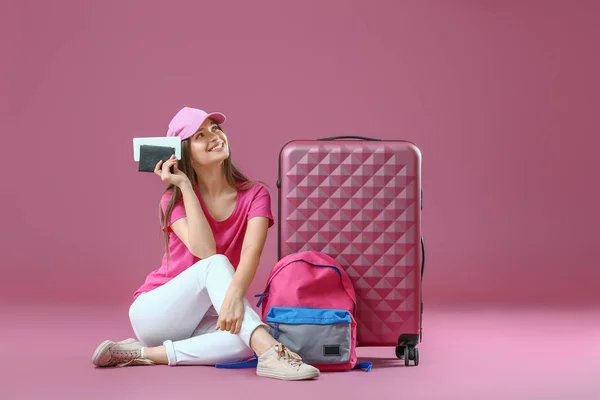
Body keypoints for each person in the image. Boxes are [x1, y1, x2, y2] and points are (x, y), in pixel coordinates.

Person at [91, 107, 320, 381]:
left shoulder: (256, 194)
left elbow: (251, 252)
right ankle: (272, 354)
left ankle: (144, 354)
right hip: (156, 312)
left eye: (216, 128)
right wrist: (186, 186)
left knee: (244, 340)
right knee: (217, 264)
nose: (215, 136)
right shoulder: (172, 200)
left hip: (206, 317)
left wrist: (234, 299)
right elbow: (206, 252)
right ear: (183, 152)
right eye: (201, 134)